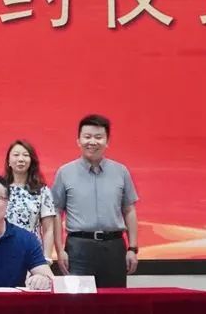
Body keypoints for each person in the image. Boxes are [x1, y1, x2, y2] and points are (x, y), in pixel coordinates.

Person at [51, 114, 140, 288]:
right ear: (78, 140)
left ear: (107, 141)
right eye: (87, 137)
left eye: (98, 137)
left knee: (114, 301)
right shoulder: (65, 172)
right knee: (78, 301)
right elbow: (56, 212)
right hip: (78, 248)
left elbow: (129, 210)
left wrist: (132, 248)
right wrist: (60, 250)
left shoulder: (121, 171)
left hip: (114, 247)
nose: (92, 142)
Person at [3, 140, 59, 259]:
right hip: (3, 251)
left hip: (32, 252)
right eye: (16, 155)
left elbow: (48, 229)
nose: (21, 159)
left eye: (25, 155)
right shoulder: (0, 189)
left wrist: (47, 259)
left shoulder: (42, 191)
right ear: (8, 161)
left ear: (31, 161)